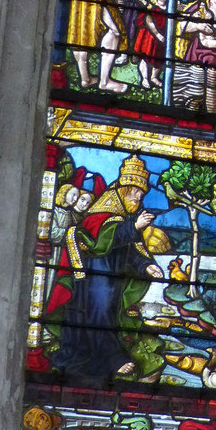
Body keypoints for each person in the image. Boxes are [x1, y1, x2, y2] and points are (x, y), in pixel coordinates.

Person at [42, 152, 167, 384]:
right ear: (123, 190)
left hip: (110, 280)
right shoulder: (100, 215)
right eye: (136, 194)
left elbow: (129, 251)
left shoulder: (120, 218)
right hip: (93, 279)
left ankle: (105, 357)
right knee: (100, 312)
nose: (138, 200)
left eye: (141, 195)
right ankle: (112, 358)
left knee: (107, 312)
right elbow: (100, 243)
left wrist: (146, 266)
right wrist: (135, 227)